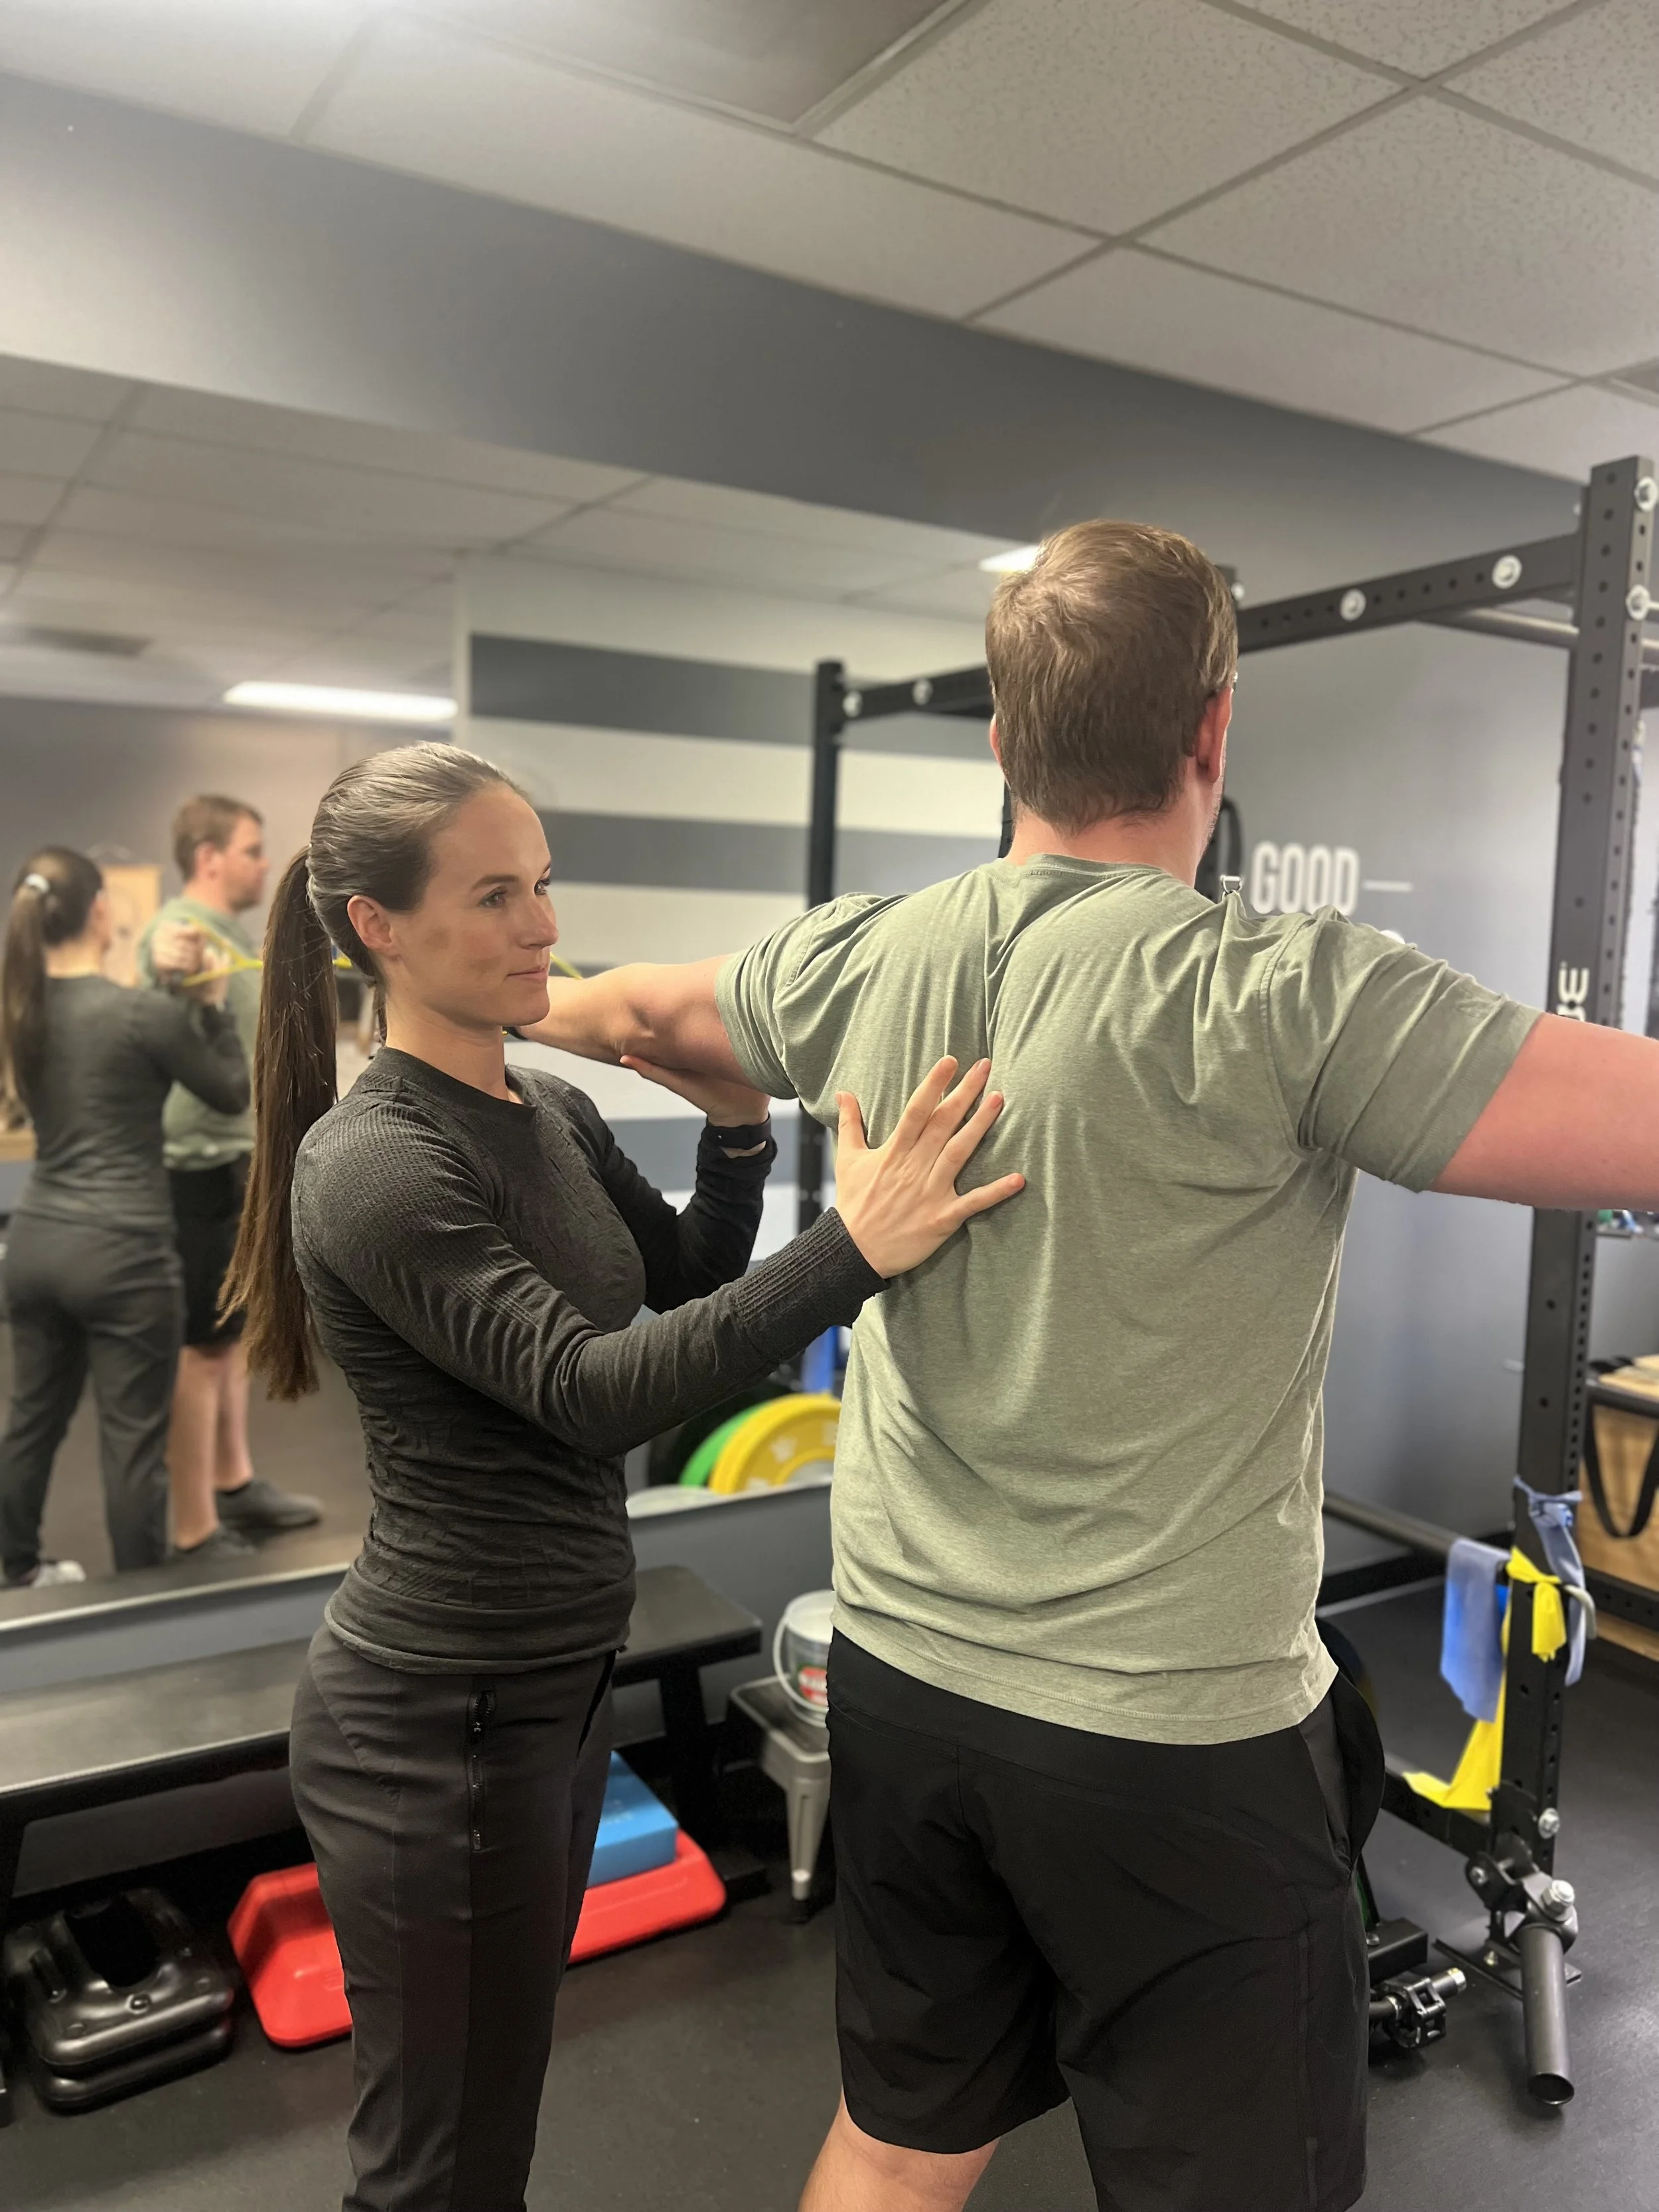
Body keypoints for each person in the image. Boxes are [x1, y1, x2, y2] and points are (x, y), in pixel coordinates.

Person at [526, 519, 1659, 2212]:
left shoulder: (858, 959)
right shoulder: (1284, 995)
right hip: (1175, 1743)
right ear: (1212, 733)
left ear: (1002, 743)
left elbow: (625, 1014)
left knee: (901, 2142)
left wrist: (482, 1001)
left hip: (905, 1683)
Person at [220, 741, 1021, 2212]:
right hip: (438, 1718)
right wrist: (856, 1249)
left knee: (488, 2119)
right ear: (375, 930)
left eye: (542, 884)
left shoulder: (549, 1109)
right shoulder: (377, 1162)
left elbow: (686, 1274)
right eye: (494, 894)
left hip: (551, 1684)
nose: (541, 925)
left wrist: (732, 1121)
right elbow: (591, 1396)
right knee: (436, 2164)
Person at [0, 848, 248, 1586]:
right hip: (126, 1254)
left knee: (31, 1423)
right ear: (101, 911)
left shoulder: (22, 1011)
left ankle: (15, 1572)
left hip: (36, 1245)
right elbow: (231, 1091)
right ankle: (139, 1609)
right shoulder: (142, 1013)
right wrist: (211, 1006)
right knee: (132, 1441)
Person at [137, 793, 320, 1556]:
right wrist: (164, 961)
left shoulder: (229, 932)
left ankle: (235, 1483)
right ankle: (194, 1524)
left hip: (233, 1159)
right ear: (209, 858)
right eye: (250, 849)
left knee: (233, 1333)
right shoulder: (181, 930)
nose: (260, 862)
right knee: (201, 1348)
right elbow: (159, 959)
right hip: (195, 1168)